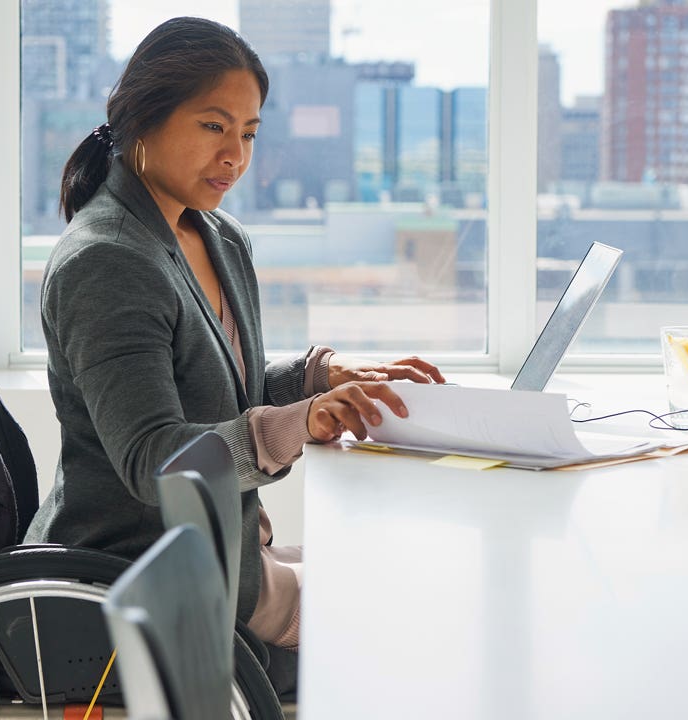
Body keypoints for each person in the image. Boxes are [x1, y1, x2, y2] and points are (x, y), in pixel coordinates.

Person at [23, 15, 445, 673]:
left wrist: (321, 377)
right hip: (147, 579)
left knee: (415, 579)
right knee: (416, 618)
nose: (236, 155)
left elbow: (218, 388)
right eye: (214, 126)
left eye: (248, 133)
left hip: (231, 553)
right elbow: (154, 459)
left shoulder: (216, 238)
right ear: (143, 117)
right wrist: (298, 425)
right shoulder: (106, 260)